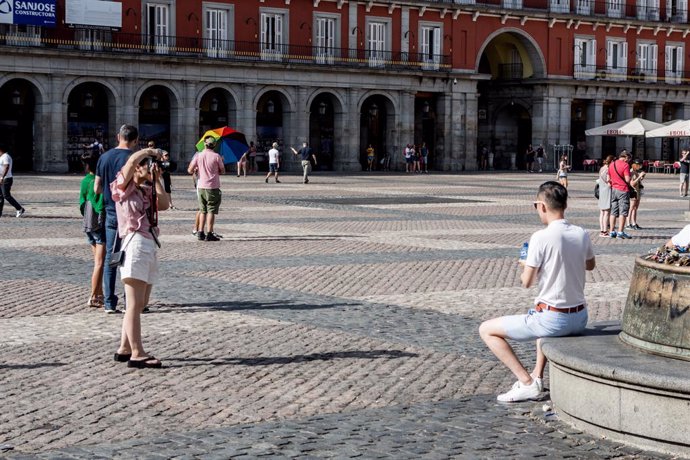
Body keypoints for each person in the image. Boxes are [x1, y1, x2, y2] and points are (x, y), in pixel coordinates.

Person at [479, 181, 595, 402]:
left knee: (486, 330)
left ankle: (527, 382)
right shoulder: (582, 233)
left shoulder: (540, 237)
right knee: (539, 311)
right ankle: (537, 375)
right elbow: (590, 265)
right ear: (565, 205)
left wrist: (525, 267)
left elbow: (527, 282)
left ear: (542, 206)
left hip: (554, 319)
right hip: (580, 317)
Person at [111, 148, 170, 369]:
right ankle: (137, 353)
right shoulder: (123, 187)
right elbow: (128, 166)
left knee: (141, 302)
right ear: (137, 167)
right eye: (147, 166)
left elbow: (163, 205)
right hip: (134, 244)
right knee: (134, 304)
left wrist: (156, 180)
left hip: (149, 244)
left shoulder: (146, 189)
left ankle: (124, 347)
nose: (150, 168)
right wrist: (149, 151)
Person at [95, 124, 139, 313]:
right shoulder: (133, 159)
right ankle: (132, 300)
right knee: (132, 257)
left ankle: (109, 303)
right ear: (136, 140)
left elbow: (97, 187)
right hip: (131, 214)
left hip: (111, 213)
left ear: (117, 137)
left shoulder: (103, 157)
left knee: (112, 258)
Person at [79, 151, 106, 308]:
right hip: (98, 224)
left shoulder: (84, 181)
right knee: (100, 263)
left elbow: (82, 203)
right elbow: (101, 203)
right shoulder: (98, 181)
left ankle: (100, 294)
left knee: (97, 262)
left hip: (88, 224)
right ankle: (93, 296)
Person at [188, 136, 225, 241]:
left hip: (201, 187)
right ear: (214, 145)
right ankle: (209, 233)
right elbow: (223, 171)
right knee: (211, 210)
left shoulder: (198, 155)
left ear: (205, 144)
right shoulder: (217, 156)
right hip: (213, 186)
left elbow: (190, 170)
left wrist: (196, 169)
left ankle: (200, 232)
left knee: (203, 210)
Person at [608, 150, 633, 239]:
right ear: (626, 157)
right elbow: (627, 180)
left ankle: (611, 231)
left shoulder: (612, 164)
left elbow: (609, 178)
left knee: (613, 211)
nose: (629, 161)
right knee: (623, 211)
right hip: (623, 190)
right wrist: (631, 175)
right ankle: (620, 232)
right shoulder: (625, 165)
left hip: (614, 189)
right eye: (629, 159)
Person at [0, 145, 26, 218]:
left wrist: (2, 177)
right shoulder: (2, 157)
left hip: (6, 179)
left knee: (6, 195)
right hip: (1, 179)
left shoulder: (5, 156)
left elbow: (6, 167)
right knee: (0, 196)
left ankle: (19, 208)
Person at [626, 159, 646, 230]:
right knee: (631, 208)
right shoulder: (631, 172)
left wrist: (642, 177)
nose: (640, 167)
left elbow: (638, 182)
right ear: (635, 165)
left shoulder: (636, 172)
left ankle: (634, 223)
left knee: (635, 208)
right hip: (633, 192)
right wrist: (639, 176)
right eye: (639, 165)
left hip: (637, 191)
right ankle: (628, 223)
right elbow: (632, 184)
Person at [597, 155, 614, 237]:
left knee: (601, 212)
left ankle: (601, 230)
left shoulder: (602, 168)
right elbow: (608, 181)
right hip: (606, 191)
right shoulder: (608, 169)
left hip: (601, 191)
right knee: (607, 212)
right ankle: (605, 231)